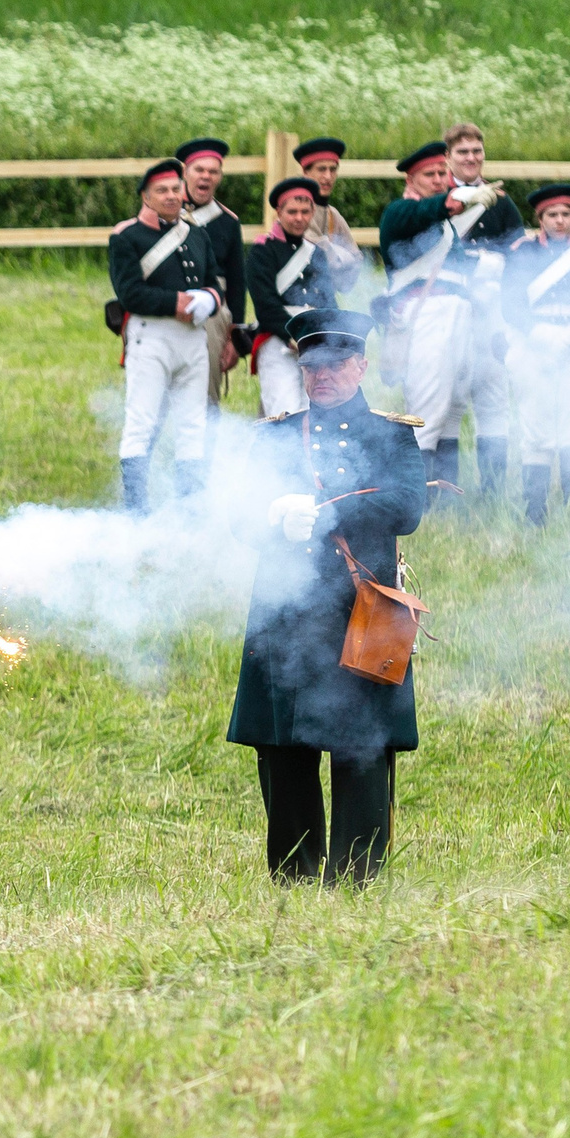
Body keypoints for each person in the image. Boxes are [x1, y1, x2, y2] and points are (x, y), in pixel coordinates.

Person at [227, 308, 425, 885]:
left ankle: (358, 876)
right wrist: (274, 518)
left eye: (338, 361)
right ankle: (295, 874)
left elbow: (408, 507)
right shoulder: (277, 434)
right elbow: (240, 518)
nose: (324, 374)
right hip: (287, 613)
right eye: (312, 363)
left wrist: (334, 510)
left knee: (363, 741)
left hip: (362, 607)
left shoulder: (392, 434)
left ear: (361, 365)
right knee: (284, 746)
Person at [373, 133, 518, 500]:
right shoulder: (401, 212)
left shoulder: (444, 224)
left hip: (459, 314)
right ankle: (415, 501)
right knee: (426, 410)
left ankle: (445, 498)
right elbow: (423, 212)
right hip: (426, 316)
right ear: (411, 180)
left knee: (453, 407)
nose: (438, 181)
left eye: (442, 174)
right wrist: (456, 198)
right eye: (430, 175)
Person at [107, 158, 223, 510]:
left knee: (193, 426)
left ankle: (190, 508)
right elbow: (129, 293)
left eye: (175, 189)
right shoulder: (127, 237)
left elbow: (214, 280)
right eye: (162, 190)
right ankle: (136, 509)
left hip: (193, 339)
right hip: (151, 336)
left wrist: (210, 299)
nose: (171, 196)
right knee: (141, 422)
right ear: (146, 196)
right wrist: (178, 301)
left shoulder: (196, 233)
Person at [501, 183, 570, 526]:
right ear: (540, 219)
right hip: (532, 341)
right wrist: (539, 335)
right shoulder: (522, 254)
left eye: (566, 214)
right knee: (535, 428)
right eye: (553, 214)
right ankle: (535, 511)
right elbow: (511, 303)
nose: (560, 220)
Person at [244, 176, 347, 418]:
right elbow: (266, 305)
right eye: (292, 211)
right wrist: (295, 337)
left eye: (305, 211)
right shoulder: (262, 251)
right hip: (280, 341)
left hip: (316, 344)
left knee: (316, 414)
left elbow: (329, 302)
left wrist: (330, 339)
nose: (299, 218)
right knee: (284, 414)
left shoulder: (316, 252)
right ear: (278, 211)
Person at [177, 139, 247, 411]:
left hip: (213, 310)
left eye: (213, 171)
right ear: (185, 172)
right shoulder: (163, 212)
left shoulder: (227, 221)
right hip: (168, 301)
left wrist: (235, 338)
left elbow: (237, 282)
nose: (206, 176)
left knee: (206, 393)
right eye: (199, 170)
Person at [289, 138, 366, 294]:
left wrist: (332, 252)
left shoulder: (332, 215)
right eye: (321, 169)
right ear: (305, 172)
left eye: (333, 169)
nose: (328, 176)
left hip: (325, 300)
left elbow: (357, 259)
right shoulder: (291, 212)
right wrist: (333, 252)